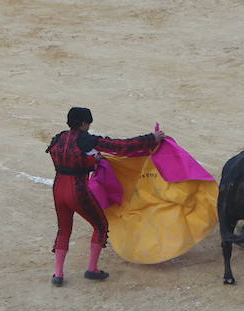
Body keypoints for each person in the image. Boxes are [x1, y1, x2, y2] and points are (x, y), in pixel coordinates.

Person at [46, 108, 165, 287]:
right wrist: (151, 138)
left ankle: (58, 274)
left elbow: (67, 157)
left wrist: (92, 160)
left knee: (63, 229)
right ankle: (92, 269)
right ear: (84, 123)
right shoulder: (86, 140)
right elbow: (121, 147)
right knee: (101, 226)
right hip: (78, 191)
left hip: (58, 190)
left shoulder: (58, 138)